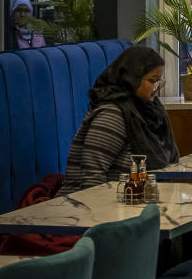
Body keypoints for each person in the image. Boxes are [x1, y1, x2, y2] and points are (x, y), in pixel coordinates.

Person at [60, 46, 179, 195]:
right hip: (88, 208)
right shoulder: (113, 114)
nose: (157, 88)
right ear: (131, 79)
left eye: (159, 81)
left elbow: (171, 161)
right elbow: (92, 179)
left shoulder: (151, 111)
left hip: (136, 202)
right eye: (152, 81)